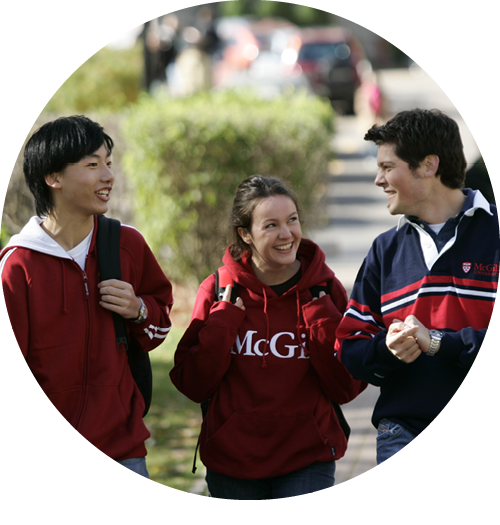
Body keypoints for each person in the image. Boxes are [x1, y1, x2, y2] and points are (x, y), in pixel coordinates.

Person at [170, 175, 365, 499]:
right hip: (232, 460)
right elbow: (193, 383)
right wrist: (225, 320)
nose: (286, 234)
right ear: (245, 234)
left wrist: (319, 317)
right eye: (271, 225)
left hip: (308, 457)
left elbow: (346, 387)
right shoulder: (219, 290)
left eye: (292, 220)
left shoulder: (325, 290)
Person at [0, 116, 174, 478]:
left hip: (123, 450)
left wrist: (139, 310)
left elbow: (159, 326)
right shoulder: (18, 266)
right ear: (54, 177)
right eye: (92, 165)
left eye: (108, 163)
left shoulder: (127, 245)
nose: (108, 175)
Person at [335, 108, 499, 464]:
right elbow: (349, 350)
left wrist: (440, 343)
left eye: (387, 167)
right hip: (403, 433)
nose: (379, 180)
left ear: (428, 166)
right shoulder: (384, 249)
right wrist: (386, 349)